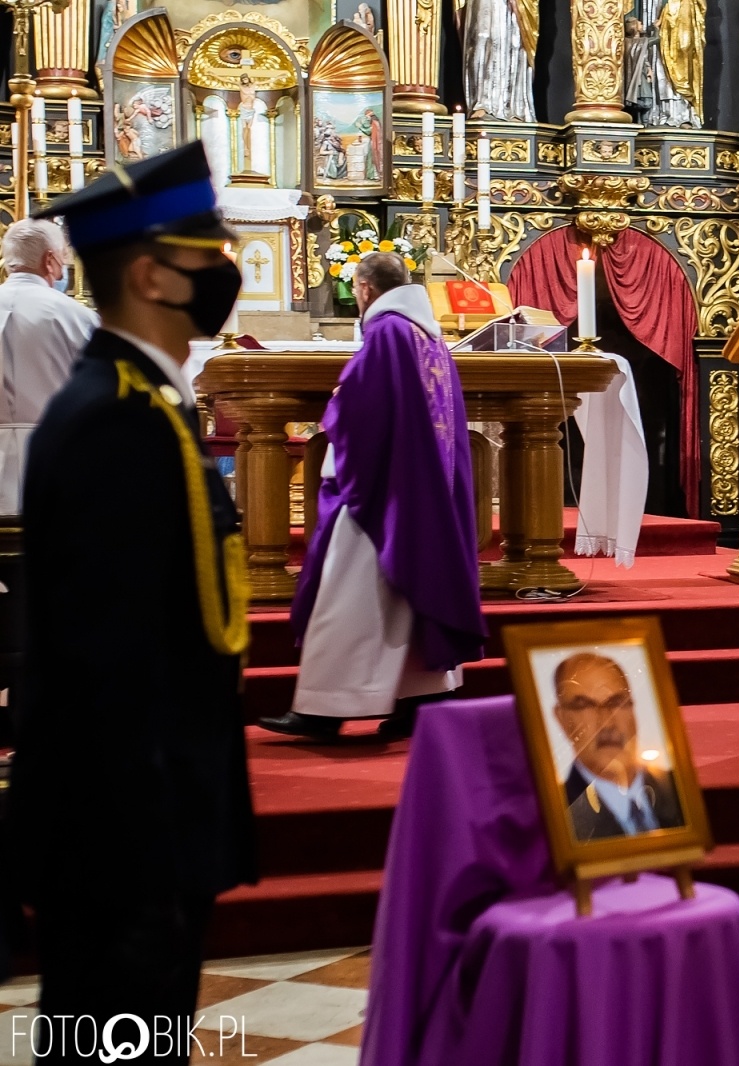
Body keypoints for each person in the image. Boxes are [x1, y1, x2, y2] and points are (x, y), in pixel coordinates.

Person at [14, 140, 256, 1060]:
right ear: (154, 274)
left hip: (145, 811)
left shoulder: (144, 401)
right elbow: (105, 655)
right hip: (125, 827)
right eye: (209, 254)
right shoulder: (118, 415)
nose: (224, 269)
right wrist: (150, 846)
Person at [264, 252, 485, 739]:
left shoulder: (385, 332)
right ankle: (423, 697)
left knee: (347, 590)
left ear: (363, 289)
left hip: (380, 488)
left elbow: (364, 406)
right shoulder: (428, 334)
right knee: (402, 593)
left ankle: (323, 709)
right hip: (413, 486)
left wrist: (335, 419)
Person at [553, 652, 683, 841]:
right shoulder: (557, 816)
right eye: (585, 705)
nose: (607, 724)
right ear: (562, 719)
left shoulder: (679, 793)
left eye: (617, 702)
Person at [0, 220, 98, 426]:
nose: (65, 265)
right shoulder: (76, 316)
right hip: (54, 446)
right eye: (64, 255)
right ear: (49, 259)